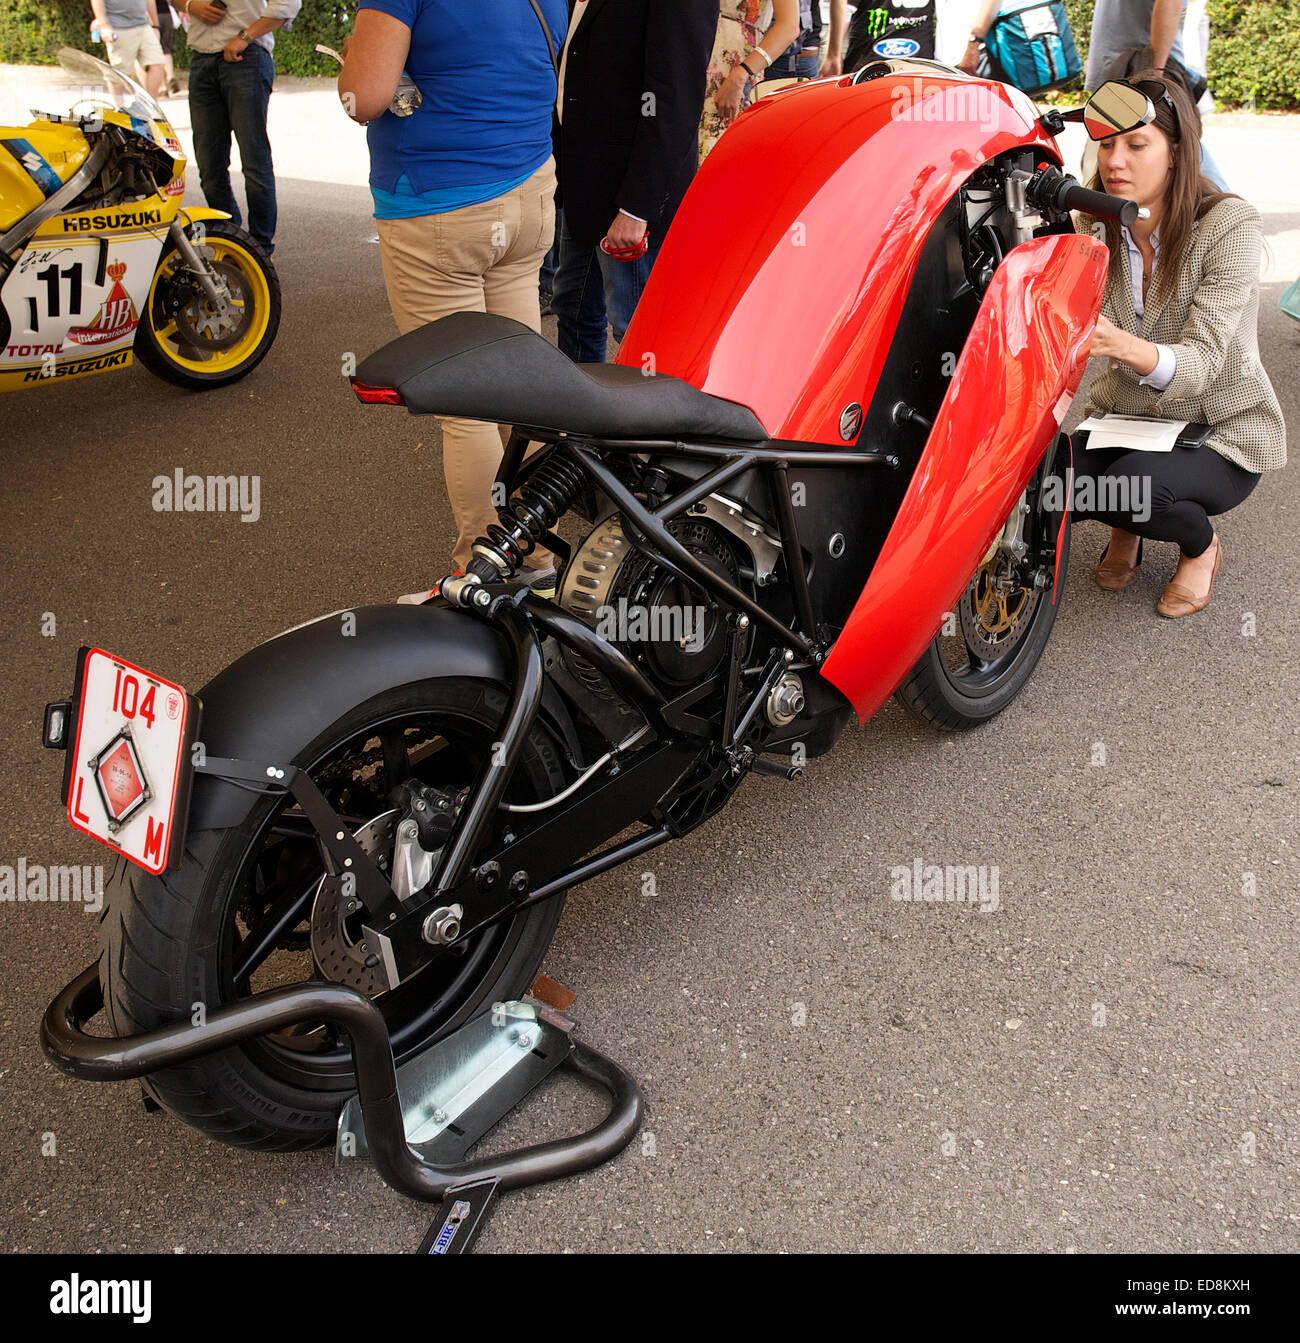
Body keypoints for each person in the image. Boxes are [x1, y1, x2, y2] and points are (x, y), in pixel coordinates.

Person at [340, 0, 565, 588]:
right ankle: (541, 546)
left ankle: (490, 562)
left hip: (441, 205)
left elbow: (362, 96)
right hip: (528, 195)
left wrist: (355, 61)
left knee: (464, 409)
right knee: (520, 391)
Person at [1072, 72, 1285, 619]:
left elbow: (1206, 362)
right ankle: (1129, 525)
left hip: (1218, 427)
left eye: (1136, 144)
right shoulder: (1090, 225)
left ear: (1176, 150)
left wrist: (1120, 344)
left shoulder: (1228, 224)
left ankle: (1200, 548)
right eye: (1106, 144)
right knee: (1050, 484)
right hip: (1125, 420)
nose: (1115, 161)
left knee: (1133, 491)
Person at [553, 0, 719, 364]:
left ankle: (651, 421)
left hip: (632, 197)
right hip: (585, 182)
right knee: (574, 310)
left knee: (637, 331)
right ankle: (584, 418)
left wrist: (637, 207)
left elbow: (674, 98)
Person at [181, 0, 301, 257]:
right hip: (201, 58)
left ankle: (258, 251)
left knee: (254, 161)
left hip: (247, 57)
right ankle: (232, 242)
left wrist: (245, 37)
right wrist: (190, 4)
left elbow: (288, 4)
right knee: (209, 165)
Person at [1083, 0, 1227, 191]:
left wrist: (1153, 76)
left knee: (1178, 157)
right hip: (1127, 73)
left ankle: (1231, 213)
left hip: (1141, 74)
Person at [699, 1, 802, 162]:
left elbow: (789, 26)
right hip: (688, 55)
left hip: (731, 68)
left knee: (714, 151)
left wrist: (741, 74)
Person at [89, 0, 167, 99]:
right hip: (119, 27)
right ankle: (119, 108)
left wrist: (155, 25)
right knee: (121, 72)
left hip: (143, 25)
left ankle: (149, 107)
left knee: (158, 63)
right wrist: (104, 25)